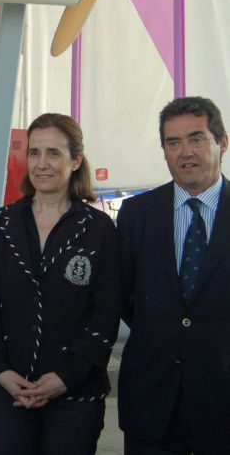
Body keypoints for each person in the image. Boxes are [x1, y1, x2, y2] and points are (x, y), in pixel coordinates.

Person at [0, 113, 120, 455]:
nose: (41, 164)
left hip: (75, 394)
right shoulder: (3, 223)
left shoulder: (99, 229)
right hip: (8, 391)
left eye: (53, 153)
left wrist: (68, 375)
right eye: (34, 152)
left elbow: (107, 311)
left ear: (76, 160)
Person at [117, 96, 230, 455]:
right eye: (173, 142)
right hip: (153, 404)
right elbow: (125, 296)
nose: (185, 152)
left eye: (196, 139)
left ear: (222, 142)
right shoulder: (136, 215)